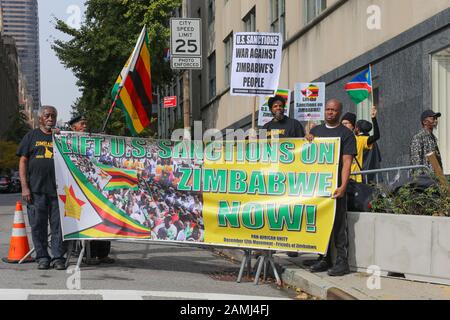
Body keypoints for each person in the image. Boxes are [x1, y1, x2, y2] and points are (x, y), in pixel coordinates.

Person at [306, 99, 357, 276]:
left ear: (340, 111)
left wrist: (343, 186)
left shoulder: (346, 134)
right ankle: (324, 259)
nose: (330, 112)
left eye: (334, 110)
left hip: (336, 188)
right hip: (317, 187)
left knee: (338, 225)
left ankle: (342, 262)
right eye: (327, 109)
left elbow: (346, 163)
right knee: (321, 223)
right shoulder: (316, 131)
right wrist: (307, 140)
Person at [17, 106, 66, 270]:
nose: (50, 118)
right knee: (38, 226)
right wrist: (25, 187)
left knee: (58, 227)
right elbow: (23, 162)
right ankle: (43, 257)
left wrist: (63, 135)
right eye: (47, 115)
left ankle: (58, 257)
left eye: (53, 115)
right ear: (40, 119)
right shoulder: (30, 137)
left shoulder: (60, 137)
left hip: (59, 192)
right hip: (36, 191)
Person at [262, 95, 305, 258]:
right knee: (271, 211)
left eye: (280, 106)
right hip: (272, 175)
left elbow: (303, 145)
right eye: (275, 106)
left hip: (291, 175)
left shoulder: (294, 124)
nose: (278, 108)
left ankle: (292, 245)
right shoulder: (265, 127)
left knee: (290, 210)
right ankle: (269, 246)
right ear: (271, 109)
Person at [69, 114, 115, 264]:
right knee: (88, 222)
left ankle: (103, 253)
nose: (84, 126)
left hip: (98, 188)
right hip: (79, 189)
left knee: (104, 220)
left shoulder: (92, 141)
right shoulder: (68, 141)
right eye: (81, 124)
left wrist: (102, 140)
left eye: (85, 123)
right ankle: (89, 254)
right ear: (72, 127)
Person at [341, 107, 381, 182]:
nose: (344, 126)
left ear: (353, 126)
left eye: (346, 123)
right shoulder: (338, 139)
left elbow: (376, 136)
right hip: (341, 178)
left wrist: (374, 118)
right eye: (342, 124)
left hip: (355, 179)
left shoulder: (360, 139)